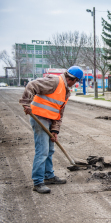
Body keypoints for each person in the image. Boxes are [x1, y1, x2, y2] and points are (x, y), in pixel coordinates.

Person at [19, 66, 83, 194]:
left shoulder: (66, 91)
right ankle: (38, 182)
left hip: (50, 120)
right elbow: (32, 85)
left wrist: (55, 131)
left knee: (50, 149)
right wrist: (26, 103)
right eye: (77, 81)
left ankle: (49, 176)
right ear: (74, 79)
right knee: (42, 150)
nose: (76, 83)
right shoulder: (55, 81)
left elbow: (59, 113)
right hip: (39, 117)